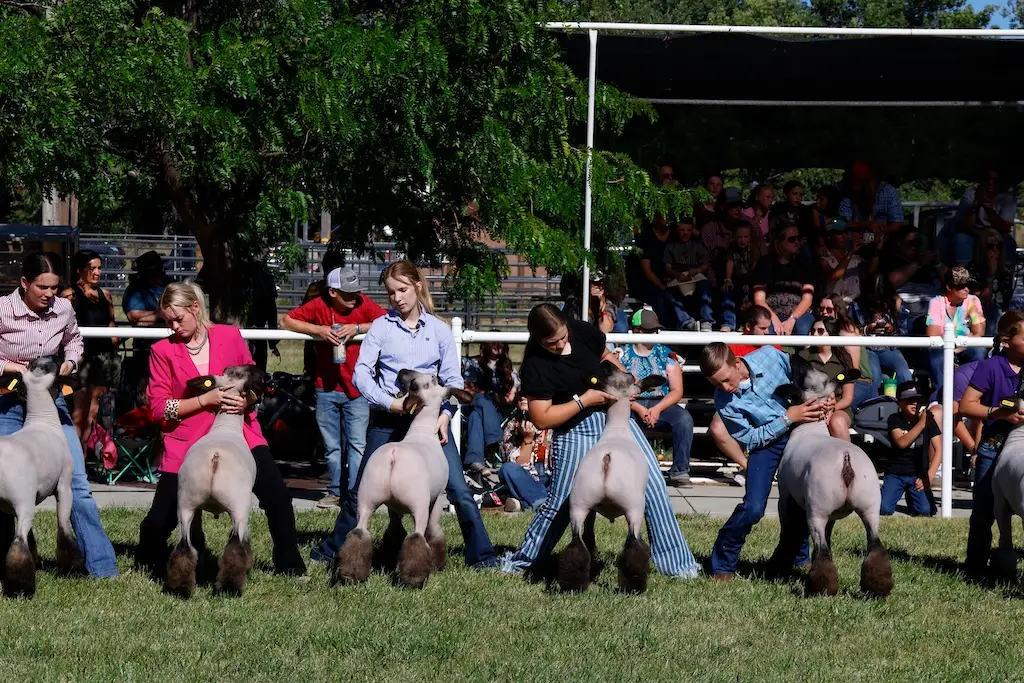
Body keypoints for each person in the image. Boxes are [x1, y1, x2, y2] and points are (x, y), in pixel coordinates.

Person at [309, 260, 497, 569]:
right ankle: (333, 550)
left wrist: (445, 416)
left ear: (418, 286)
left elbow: (452, 380)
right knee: (361, 490)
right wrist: (390, 403)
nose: (397, 298)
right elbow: (362, 375)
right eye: (391, 292)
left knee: (459, 489)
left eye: (403, 290)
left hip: (428, 423)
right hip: (389, 417)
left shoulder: (439, 330)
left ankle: (482, 556)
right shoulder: (382, 326)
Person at [500, 304, 699, 579]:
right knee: (561, 500)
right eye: (551, 343)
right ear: (536, 339)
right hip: (574, 430)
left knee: (653, 488)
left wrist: (625, 382)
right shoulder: (535, 365)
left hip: (615, 420)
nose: (560, 344)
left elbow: (606, 356)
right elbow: (542, 418)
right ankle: (523, 562)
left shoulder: (579, 331)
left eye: (562, 336)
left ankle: (679, 567)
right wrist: (584, 401)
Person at [138, 282, 305, 577]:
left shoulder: (228, 336)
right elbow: (159, 408)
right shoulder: (162, 351)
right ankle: (147, 562)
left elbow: (256, 379)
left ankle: (290, 565)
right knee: (159, 520)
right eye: (168, 321)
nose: (174, 327)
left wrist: (247, 401)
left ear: (195, 308)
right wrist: (205, 400)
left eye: (179, 319)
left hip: (240, 433)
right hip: (186, 439)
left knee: (277, 497)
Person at [0, 252, 118, 578]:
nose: (49, 294)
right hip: (7, 400)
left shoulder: (63, 308)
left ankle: (101, 567)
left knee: (76, 481)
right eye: (42, 287)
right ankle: (16, 562)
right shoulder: (2, 310)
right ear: (24, 283)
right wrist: (12, 368)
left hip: (51, 401)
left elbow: (74, 341)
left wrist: (71, 362)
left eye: (54, 287)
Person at [700, 342, 819, 580]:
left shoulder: (770, 356)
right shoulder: (723, 400)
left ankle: (800, 556)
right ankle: (722, 565)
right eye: (715, 383)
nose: (724, 387)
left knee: (802, 500)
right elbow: (751, 439)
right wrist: (787, 419)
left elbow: (804, 375)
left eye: (725, 379)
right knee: (753, 507)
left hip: (802, 429)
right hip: (767, 444)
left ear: (736, 362)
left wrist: (819, 399)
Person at [280, 266, 386, 508]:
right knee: (332, 447)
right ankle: (337, 491)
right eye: (347, 293)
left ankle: (356, 494)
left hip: (358, 388)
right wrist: (320, 330)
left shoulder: (363, 303)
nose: (353, 297)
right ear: (332, 293)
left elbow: (387, 319)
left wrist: (357, 328)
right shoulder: (318, 305)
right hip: (325, 387)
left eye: (355, 291)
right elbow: (286, 320)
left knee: (358, 445)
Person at [956, 311, 1024, 575]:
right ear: (1006, 340)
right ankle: (975, 565)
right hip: (994, 447)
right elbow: (966, 405)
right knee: (984, 510)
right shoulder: (990, 367)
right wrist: (997, 413)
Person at [620, 309, 694, 487]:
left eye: (655, 330)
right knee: (619, 420)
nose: (653, 334)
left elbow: (676, 390)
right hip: (629, 404)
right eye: (648, 330)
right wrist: (640, 409)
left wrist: (657, 409)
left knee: (684, 419)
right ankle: (624, 469)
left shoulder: (667, 355)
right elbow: (619, 390)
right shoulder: (621, 355)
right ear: (636, 330)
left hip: (661, 403)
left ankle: (680, 471)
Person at [61, 250, 119, 449]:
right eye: (91, 268)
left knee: (94, 410)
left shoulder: (106, 295)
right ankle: (74, 455)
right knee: (79, 410)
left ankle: (85, 453)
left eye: (99, 268)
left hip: (103, 358)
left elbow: (112, 328)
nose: (97, 273)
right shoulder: (70, 295)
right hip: (82, 359)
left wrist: (115, 348)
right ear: (80, 270)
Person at [881, 382, 939, 517]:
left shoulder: (928, 419)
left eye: (918, 400)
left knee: (926, 511)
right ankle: (886, 492)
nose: (915, 403)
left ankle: (913, 499)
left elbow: (939, 448)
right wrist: (921, 424)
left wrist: (929, 476)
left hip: (918, 474)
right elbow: (902, 443)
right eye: (909, 400)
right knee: (884, 509)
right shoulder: (894, 419)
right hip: (896, 473)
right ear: (899, 403)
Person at [625, 214, 692, 330]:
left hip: (667, 279)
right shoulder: (645, 237)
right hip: (644, 282)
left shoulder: (673, 235)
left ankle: (683, 325)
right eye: (663, 214)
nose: (667, 218)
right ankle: (669, 329)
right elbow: (648, 272)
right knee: (661, 297)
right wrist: (663, 287)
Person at [850, 274, 913, 396]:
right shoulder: (857, 305)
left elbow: (904, 333)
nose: (877, 301)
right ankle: (873, 404)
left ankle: (909, 399)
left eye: (880, 297)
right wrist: (866, 330)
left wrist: (892, 330)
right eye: (874, 297)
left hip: (889, 348)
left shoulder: (896, 304)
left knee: (903, 370)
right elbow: (849, 330)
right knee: (874, 372)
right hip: (868, 348)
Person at [926, 266, 987, 384]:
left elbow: (979, 332)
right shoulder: (936, 302)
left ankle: (971, 390)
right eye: (961, 286)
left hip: (965, 347)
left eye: (968, 285)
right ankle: (940, 395)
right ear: (949, 287)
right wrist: (952, 349)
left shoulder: (973, 300)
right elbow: (933, 335)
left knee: (979, 350)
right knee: (937, 355)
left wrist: (957, 349)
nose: (967, 289)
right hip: (941, 348)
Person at [752, 223, 815, 336]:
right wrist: (774, 319)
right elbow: (759, 300)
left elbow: (807, 299)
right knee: (768, 329)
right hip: (771, 312)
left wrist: (792, 319)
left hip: (799, 314)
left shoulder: (805, 264)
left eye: (798, 238)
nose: (797, 242)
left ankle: (802, 354)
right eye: (792, 239)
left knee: (802, 327)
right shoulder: (765, 264)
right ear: (779, 241)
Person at [801, 316, 855, 441]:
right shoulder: (804, 356)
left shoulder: (844, 358)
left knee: (837, 422)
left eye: (820, 331)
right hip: (812, 406)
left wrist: (832, 408)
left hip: (839, 406)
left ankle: (846, 459)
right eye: (813, 331)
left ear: (831, 333)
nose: (815, 335)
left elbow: (847, 397)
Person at [951, 167, 1017, 267]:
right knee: (961, 239)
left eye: (995, 180)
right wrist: (975, 207)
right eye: (987, 179)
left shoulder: (1007, 198)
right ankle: (963, 275)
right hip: (973, 233)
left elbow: (1005, 228)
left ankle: (1005, 274)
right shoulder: (970, 195)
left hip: (996, 234)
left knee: (1008, 241)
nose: (990, 183)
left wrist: (989, 210)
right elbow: (962, 226)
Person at [664, 218, 715, 332]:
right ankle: (687, 322)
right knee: (669, 293)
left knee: (706, 285)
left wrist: (696, 270)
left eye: (688, 230)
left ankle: (706, 321)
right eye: (682, 230)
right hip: (678, 278)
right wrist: (678, 274)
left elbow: (706, 265)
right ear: (677, 230)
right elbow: (668, 268)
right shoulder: (670, 246)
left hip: (695, 276)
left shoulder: (698, 246)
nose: (685, 233)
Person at [498, 407, 551, 513]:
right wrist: (528, 439)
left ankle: (523, 504)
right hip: (525, 478)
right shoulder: (512, 427)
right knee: (508, 469)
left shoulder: (554, 423)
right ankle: (543, 502)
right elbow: (518, 464)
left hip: (549, 478)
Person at [968, 228, 1014, 338]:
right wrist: (991, 275)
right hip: (975, 311)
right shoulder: (972, 269)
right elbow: (979, 298)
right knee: (993, 310)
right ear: (982, 247)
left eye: (998, 246)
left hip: (999, 312)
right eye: (990, 246)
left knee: (996, 310)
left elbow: (1005, 300)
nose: (995, 249)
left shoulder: (1005, 272)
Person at [838, 162, 905, 236]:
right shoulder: (848, 194)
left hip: (883, 241)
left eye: (858, 182)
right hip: (855, 241)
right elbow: (842, 222)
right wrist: (865, 224)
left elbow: (898, 223)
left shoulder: (888, 191)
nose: (854, 187)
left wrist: (879, 231)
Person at [721, 223, 760, 333]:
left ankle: (744, 323)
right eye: (739, 237)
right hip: (737, 280)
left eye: (745, 237)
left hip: (751, 280)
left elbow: (755, 269)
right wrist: (728, 280)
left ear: (750, 237)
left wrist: (750, 283)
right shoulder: (732, 249)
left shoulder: (753, 249)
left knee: (747, 297)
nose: (742, 240)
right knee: (727, 291)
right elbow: (730, 263)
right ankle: (729, 323)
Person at [818, 218, 863, 302]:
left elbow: (869, 272)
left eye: (845, 232)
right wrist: (851, 251)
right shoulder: (824, 259)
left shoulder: (855, 257)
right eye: (839, 233)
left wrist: (877, 250)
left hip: (854, 307)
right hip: (833, 306)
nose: (844, 236)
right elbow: (835, 276)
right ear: (829, 236)